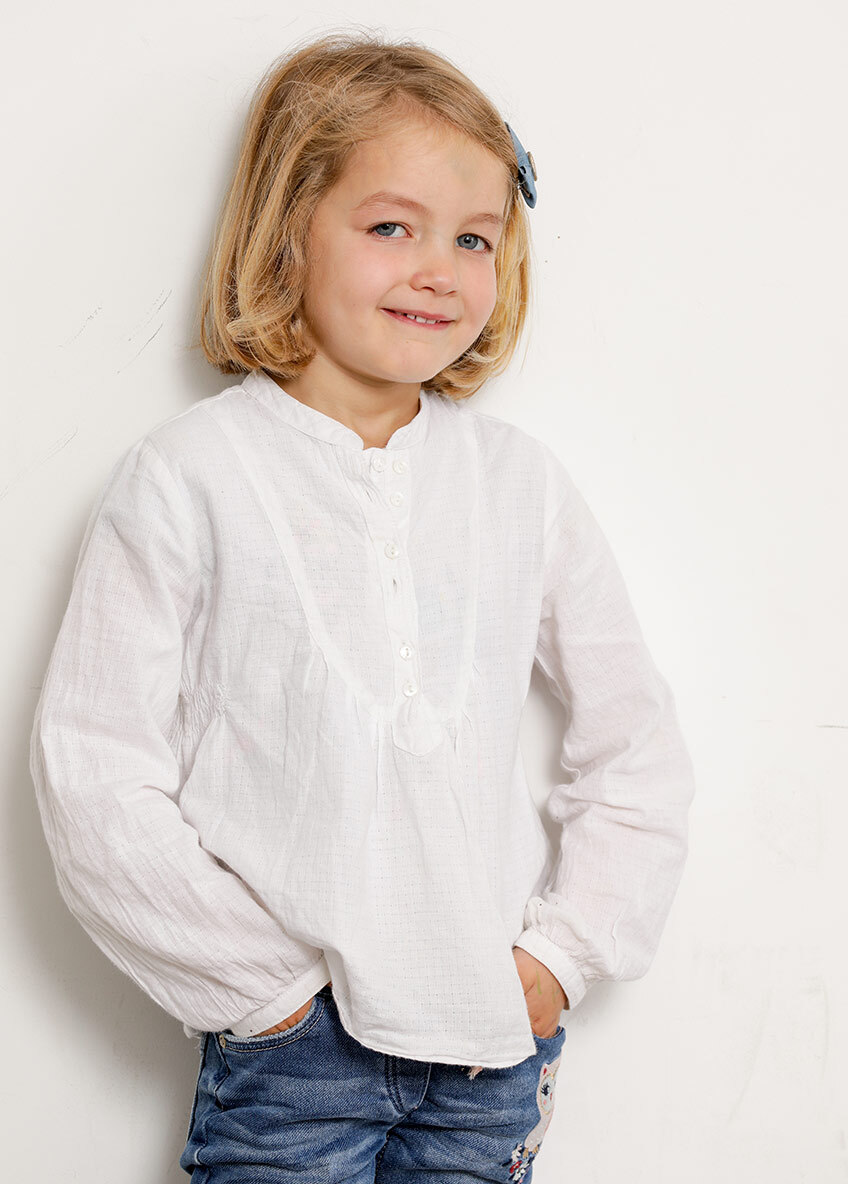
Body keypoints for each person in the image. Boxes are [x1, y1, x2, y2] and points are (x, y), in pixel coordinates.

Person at [29, 28, 696, 1182]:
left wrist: (560, 956)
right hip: (293, 1061)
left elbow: (634, 738)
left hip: (489, 1051)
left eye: (473, 237)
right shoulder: (189, 477)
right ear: (289, 230)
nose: (439, 269)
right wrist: (267, 993)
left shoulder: (518, 485)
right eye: (392, 226)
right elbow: (92, 764)